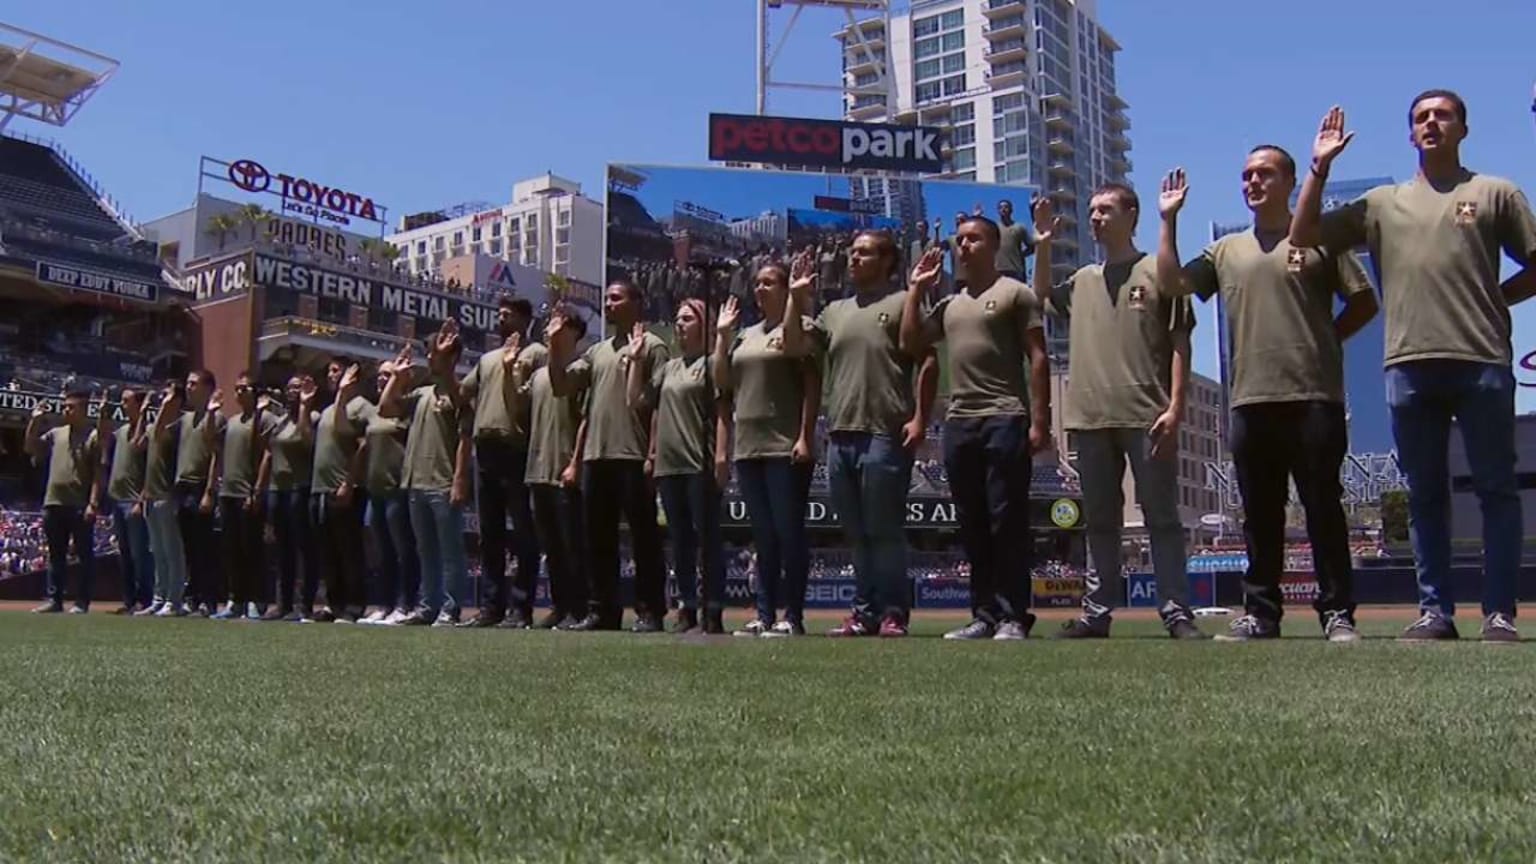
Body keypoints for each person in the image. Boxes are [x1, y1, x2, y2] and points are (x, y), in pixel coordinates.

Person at [1290, 93, 1536, 642]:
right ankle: (1435, 613)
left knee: (1496, 489)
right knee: (1425, 495)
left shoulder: (1495, 193)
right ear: (1410, 135)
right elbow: (1303, 236)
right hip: (1408, 365)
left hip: (1481, 361)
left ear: (1463, 128)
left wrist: (1497, 298)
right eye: (1420, 117)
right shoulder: (1382, 203)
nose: (1431, 123)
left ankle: (1499, 614)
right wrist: (1319, 167)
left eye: (1442, 114)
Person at [1157, 148, 1379, 642]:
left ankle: (1337, 613)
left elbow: (1365, 301)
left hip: (1314, 395)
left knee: (1323, 506)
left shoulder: (1320, 240)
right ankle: (1260, 613)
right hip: (1250, 400)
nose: (1252, 182)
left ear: (1289, 181)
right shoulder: (1225, 251)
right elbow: (1171, 283)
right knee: (1259, 513)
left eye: (1264, 174)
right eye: (1246, 176)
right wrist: (1169, 221)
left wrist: (1329, 338)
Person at [1032, 188, 1204, 640]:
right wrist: (1044, 243)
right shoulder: (1084, 279)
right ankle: (1097, 613)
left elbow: (1181, 342)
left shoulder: (1158, 271)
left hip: (1146, 415)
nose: (1095, 217)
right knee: (1101, 523)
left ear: (1132, 215)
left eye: (1105, 209)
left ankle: (1176, 612)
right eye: (1091, 211)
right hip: (1090, 417)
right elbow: (1042, 295)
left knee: (1161, 519)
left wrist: (1177, 407)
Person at [900, 217, 1051, 640]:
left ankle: (1013, 616)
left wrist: (1040, 422)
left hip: (1004, 416)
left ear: (994, 244)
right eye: (959, 240)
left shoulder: (1015, 294)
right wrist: (916, 289)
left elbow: (1038, 358)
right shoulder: (949, 304)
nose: (963, 246)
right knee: (972, 523)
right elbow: (910, 342)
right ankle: (983, 615)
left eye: (973, 239)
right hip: (959, 422)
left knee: (1007, 519)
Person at [806, 231, 938, 638]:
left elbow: (927, 361)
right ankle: (863, 613)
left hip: (883, 433)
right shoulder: (834, 311)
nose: (853, 259)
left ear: (886, 261)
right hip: (840, 434)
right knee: (856, 533)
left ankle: (893, 613)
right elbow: (802, 355)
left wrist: (920, 419)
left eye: (864, 253)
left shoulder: (902, 302)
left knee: (884, 530)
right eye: (852, 253)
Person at [549, 280, 670, 632]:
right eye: (607, 299)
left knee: (644, 539)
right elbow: (561, 385)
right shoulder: (597, 352)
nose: (609, 303)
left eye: (616, 298)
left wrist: (652, 454)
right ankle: (602, 611)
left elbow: (661, 403)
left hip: (634, 456)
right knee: (597, 540)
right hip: (596, 457)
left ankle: (650, 611)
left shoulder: (653, 346)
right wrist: (556, 346)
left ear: (637, 302)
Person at [716, 255, 824, 638]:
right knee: (762, 535)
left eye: (768, 282)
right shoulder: (746, 335)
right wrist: (724, 337)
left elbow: (812, 384)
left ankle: (791, 615)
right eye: (756, 283)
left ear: (784, 287)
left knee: (788, 532)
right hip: (749, 447)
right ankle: (763, 614)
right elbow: (723, 385)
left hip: (784, 446)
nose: (759, 288)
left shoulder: (801, 327)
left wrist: (805, 435)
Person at [630, 298, 729, 635]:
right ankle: (687, 607)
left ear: (705, 324)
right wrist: (636, 360)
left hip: (698, 464)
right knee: (681, 542)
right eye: (677, 318)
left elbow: (723, 412)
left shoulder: (712, 363)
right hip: (668, 468)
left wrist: (720, 456)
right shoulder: (669, 368)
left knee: (708, 540)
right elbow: (641, 404)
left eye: (687, 318)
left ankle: (712, 609)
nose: (679, 324)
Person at [380, 323, 473, 627]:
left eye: (433, 353)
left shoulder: (459, 393)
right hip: (415, 482)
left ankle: (450, 608)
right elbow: (385, 408)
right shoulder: (421, 393)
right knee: (426, 551)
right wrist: (396, 376)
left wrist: (460, 479)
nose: (429, 359)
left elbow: (465, 437)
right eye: (430, 353)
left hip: (443, 483)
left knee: (450, 551)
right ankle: (428, 606)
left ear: (451, 357)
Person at [459, 297, 543, 629]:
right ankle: (491, 607)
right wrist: (441, 361)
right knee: (489, 533)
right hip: (486, 448)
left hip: (517, 447)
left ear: (524, 319)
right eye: (499, 314)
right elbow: (460, 393)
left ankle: (520, 608)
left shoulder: (536, 353)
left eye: (507, 315)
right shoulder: (486, 359)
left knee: (524, 531)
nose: (500, 319)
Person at [526, 309, 591, 629]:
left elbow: (585, 419)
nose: (549, 326)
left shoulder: (580, 368)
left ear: (573, 332)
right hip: (537, 470)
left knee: (571, 546)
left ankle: (577, 608)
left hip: (565, 470)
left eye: (557, 323)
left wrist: (575, 462)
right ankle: (559, 604)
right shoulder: (537, 375)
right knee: (550, 547)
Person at [207, 373, 278, 620]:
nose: (239, 393)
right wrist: (211, 412)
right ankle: (235, 600)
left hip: (249, 492)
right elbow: (212, 444)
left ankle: (254, 600)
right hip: (228, 491)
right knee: (231, 550)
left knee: (252, 550)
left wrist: (257, 490)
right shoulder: (233, 421)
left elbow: (267, 453)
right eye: (236, 389)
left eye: (244, 388)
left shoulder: (266, 418)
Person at [24, 388, 101, 614]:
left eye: (71, 407)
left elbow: (98, 473)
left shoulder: (93, 436)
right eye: (65, 406)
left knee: (84, 556)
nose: (66, 410)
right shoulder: (56, 433)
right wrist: (34, 421)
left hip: (79, 504)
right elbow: (30, 446)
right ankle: (54, 599)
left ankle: (81, 602)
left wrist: (93, 503)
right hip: (53, 502)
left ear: (84, 410)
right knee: (55, 555)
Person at [310, 358, 371, 623]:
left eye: (335, 370)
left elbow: (362, 445)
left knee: (349, 550)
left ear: (351, 375)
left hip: (346, 488)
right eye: (329, 371)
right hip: (321, 489)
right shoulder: (327, 410)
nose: (330, 375)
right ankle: (333, 604)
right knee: (328, 551)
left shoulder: (361, 406)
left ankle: (354, 605)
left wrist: (349, 481)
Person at [360, 361, 418, 625]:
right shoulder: (372, 412)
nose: (382, 378)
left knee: (403, 549)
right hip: (375, 488)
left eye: (388, 374)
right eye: (381, 374)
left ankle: (406, 604)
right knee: (381, 551)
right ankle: (384, 605)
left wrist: (398, 379)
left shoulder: (405, 407)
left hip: (397, 487)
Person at [101, 387, 153, 614]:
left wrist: (141, 500)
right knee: (124, 554)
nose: (122, 405)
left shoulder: (148, 430)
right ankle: (129, 600)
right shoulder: (120, 431)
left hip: (134, 501)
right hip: (117, 499)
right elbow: (102, 441)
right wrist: (103, 413)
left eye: (126, 401)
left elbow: (140, 447)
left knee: (139, 554)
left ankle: (145, 599)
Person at [173, 369, 220, 616]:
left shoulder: (217, 418)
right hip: (182, 486)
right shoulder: (184, 419)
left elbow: (215, 455)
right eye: (187, 383)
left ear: (208, 388)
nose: (188, 388)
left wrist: (209, 492)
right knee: (189, 549)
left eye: (194, 384)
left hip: (201, 485)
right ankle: (192, 597)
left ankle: (207, 600)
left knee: (205, 548)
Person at [138, 381, 186, 617]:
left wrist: (166, 405)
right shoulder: (153, 425)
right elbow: (138, 444)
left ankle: (173, 599)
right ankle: (159, 598)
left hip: (167, 494)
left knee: (171, 551)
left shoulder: (178, 426)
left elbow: (158, 433)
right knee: (157, 551)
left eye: (167, 395)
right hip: (150, 494)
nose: (161, 398)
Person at [994, 199, 1036, 281]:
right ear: (998, 211)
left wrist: (1021, 255)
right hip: (997, 270)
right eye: (1000, 207)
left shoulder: (1019, 227)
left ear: (1011, 210)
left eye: (1006, 207)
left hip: (1015, 270)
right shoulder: (994, 228)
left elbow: (1032, 247)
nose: (1003, 209)